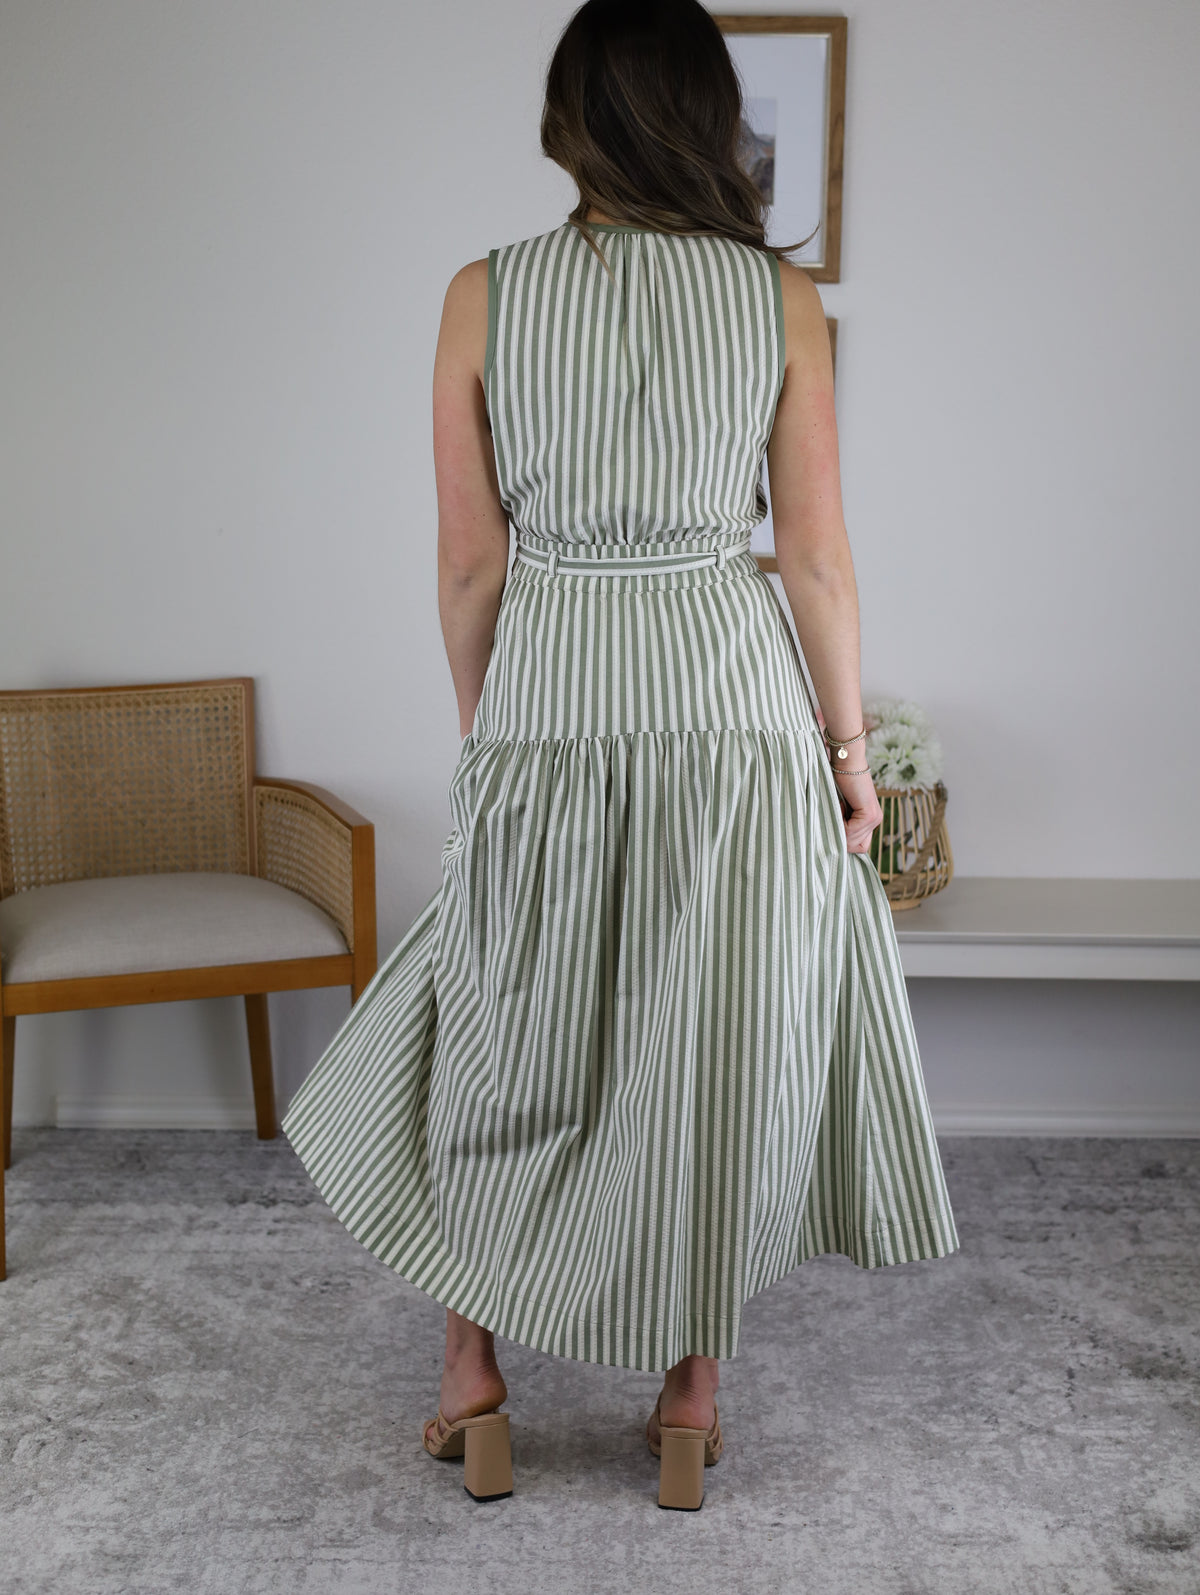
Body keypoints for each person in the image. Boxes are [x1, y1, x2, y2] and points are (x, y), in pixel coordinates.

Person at [282, 0, 958, 1512]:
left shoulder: (482, 293)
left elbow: (471, 565)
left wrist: (491, 729)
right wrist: (851, 757)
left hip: (552, 702)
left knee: (502, 1027)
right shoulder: (776, 301)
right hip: (733, 709)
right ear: (708, 116)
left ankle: (472, 1376)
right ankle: (690, 1402)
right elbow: (815, 561)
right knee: (712, 1041)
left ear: (569, 117)